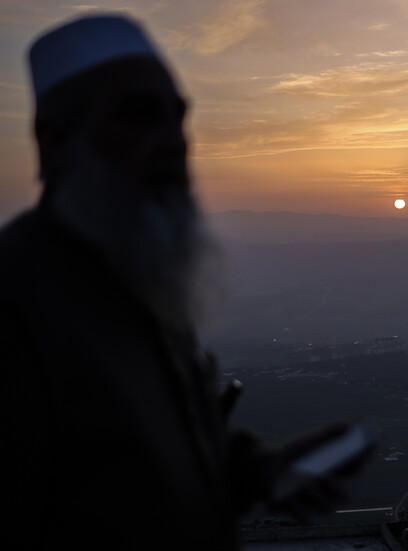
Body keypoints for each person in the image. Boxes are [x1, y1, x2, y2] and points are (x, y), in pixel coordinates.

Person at [0, 15, 368, 550]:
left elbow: (143, 471)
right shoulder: (15, 303)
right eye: (140, 116)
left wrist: (260, 470)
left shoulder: (139, 276)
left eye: (177, 118)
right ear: (54, 140)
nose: (176, 143)